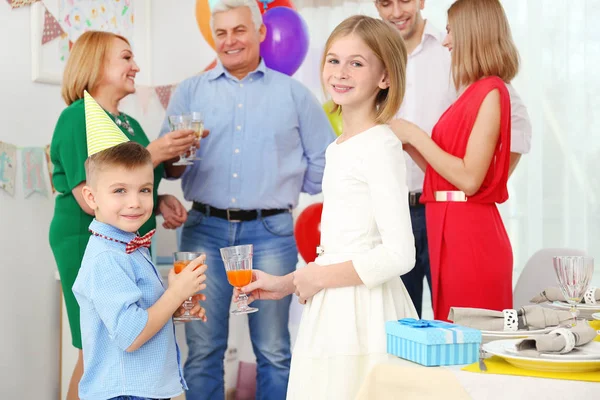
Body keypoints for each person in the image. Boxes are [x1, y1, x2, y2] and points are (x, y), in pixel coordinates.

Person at [158, 1, 335, 398]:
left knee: (274, 350)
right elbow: (167, 169)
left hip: (271, 231)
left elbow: (326, 159)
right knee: (203, 349)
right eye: (221, 33)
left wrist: (284, 183)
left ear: (260, 33)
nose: (229, 40)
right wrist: (177, 160)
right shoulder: (190, 92)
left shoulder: (294, 94)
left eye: (239, 30)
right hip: (203, 230)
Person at [236, 15, 418, 400]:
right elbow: (340, 244)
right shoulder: (337, 149)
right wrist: (286, 283)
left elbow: (400, 254)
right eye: (333, 60)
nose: (340, 72)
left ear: (384, 78)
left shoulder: (381, 145)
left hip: (363, 314)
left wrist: (318, 279)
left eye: (357, 62)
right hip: (333, 306)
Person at [49, 31, 199, 399]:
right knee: (95, 347)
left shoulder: (129, 123)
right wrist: (156, 152)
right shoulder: (76, 117)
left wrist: (160, 200)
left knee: (127, 336)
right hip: (87, 237)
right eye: (126, 58)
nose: (136, 67)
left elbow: (134, 181)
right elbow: (93, 198)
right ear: (96, 64)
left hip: (130, 239)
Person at [375, 0, 532, 317]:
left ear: (471, 34)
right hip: (444, 218)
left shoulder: (490, 91)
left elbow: (470, 179)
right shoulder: (474, 92)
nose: (446, 40)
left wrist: (414, 135)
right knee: (444, 331)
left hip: (466, 227)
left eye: (450, 31)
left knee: (467, 337)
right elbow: (444, 171)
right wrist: (403, 144)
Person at [72, 92, 208, 400]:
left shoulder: (129, 246)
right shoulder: (107, 257)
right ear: (92, 198)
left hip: (143, 389)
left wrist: (175, 304)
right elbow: (131, 335)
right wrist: (175, 292)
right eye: (119, 190)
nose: (134, 202)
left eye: (145, 190)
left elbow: (141, 315)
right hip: (125, 393)